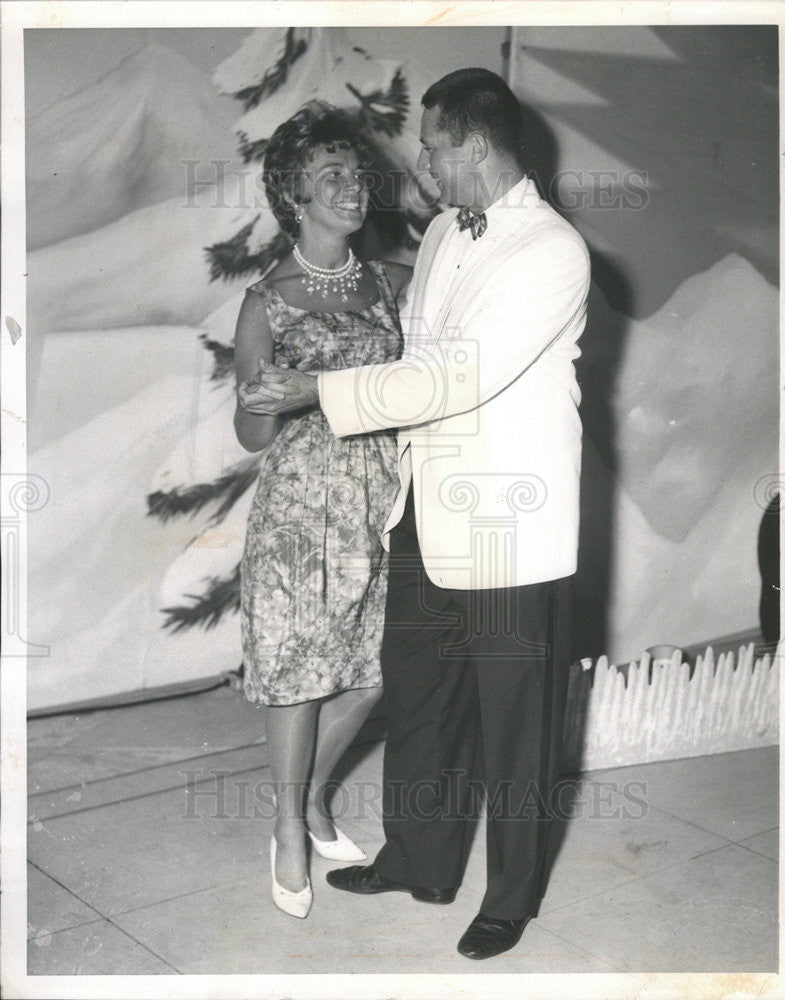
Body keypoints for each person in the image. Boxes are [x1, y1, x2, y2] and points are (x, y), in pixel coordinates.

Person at [242, 69, 591, 959]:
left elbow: (455, 376)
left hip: (510, 520)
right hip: (422, 508)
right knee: (425, 700)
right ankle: (422, 861)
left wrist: (320, 387)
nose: (422, 164)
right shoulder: (441, 232)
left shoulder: (552, 249)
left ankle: (510, 894)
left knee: (515, 721)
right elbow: (418, 350)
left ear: (471, 146)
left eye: (432, 147)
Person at [234, 101, 410, 920]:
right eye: (328, 177)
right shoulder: (266, 302)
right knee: (299, 680)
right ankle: (288, 828)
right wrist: (263, 399)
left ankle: (307, 800)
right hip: (301, 512)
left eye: (353, 171)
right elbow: (249, 435)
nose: (350, 187)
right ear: (294, 201)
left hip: (377, 504)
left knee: (371, 677)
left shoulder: (386, 282)